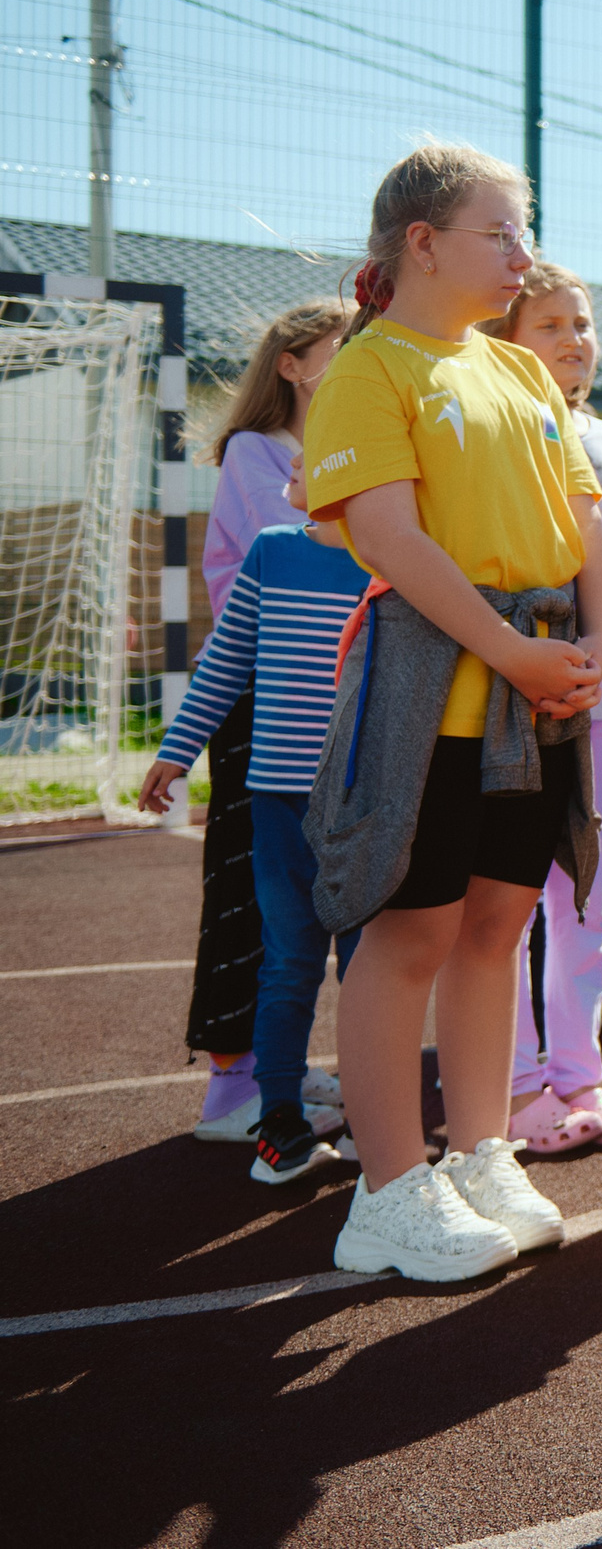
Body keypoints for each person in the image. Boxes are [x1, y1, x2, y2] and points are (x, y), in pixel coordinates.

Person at [302, 142, 602, 1282]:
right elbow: (388, 537)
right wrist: (515, 654)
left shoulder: (524, 372)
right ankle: (386, 1189)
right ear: (421, 242)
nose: (521, 256)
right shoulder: (369, 369)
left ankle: (481, 1152)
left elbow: (585, 527)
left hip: (538, 691)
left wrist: (591, 649)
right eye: (501, 232)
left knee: (498, 925)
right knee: (411, 931)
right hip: (439, 692)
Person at [142, 452, 370, 1180]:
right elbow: (224, 661)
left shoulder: (395, 568)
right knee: (290, 960)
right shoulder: (273, 554)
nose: (290, 471)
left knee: (371, 968)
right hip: (278, 804)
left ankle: (375, 1119)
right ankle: (281, 1121)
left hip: (367, 807)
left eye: (310, 459)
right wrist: (175, 751)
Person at [470, 261, 602, 1152]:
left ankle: (580, 1076)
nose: (574, 338)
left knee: (589, 895)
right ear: (505, 339)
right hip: (513, 690)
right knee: (503, 897)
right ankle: (514, 1085)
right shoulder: (493, 432)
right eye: (550, 324)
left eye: (582, 322)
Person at [183, 298, 351, 1141]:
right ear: (290, 364)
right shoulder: (261, 453)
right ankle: (232, 1080)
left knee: (305, 912)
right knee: (250, 891)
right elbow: (302, 541)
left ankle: (269, 1064)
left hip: (321, 700)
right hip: (262, 695)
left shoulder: (344, 456)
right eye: (343, 348)